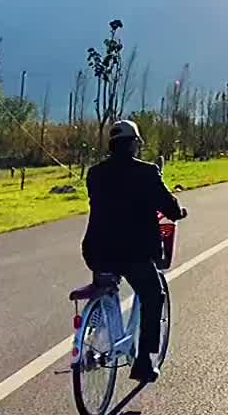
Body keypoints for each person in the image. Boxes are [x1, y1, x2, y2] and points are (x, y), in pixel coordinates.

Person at [82, 119, 185, 383]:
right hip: (134, 253)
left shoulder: (94, 173)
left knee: (106, 281)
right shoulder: (147, 172)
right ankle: (143, 361)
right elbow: (169, 207)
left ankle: (97, 325)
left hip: (96, 251)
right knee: (153, 294)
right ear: (134, 144)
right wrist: (178, 211)